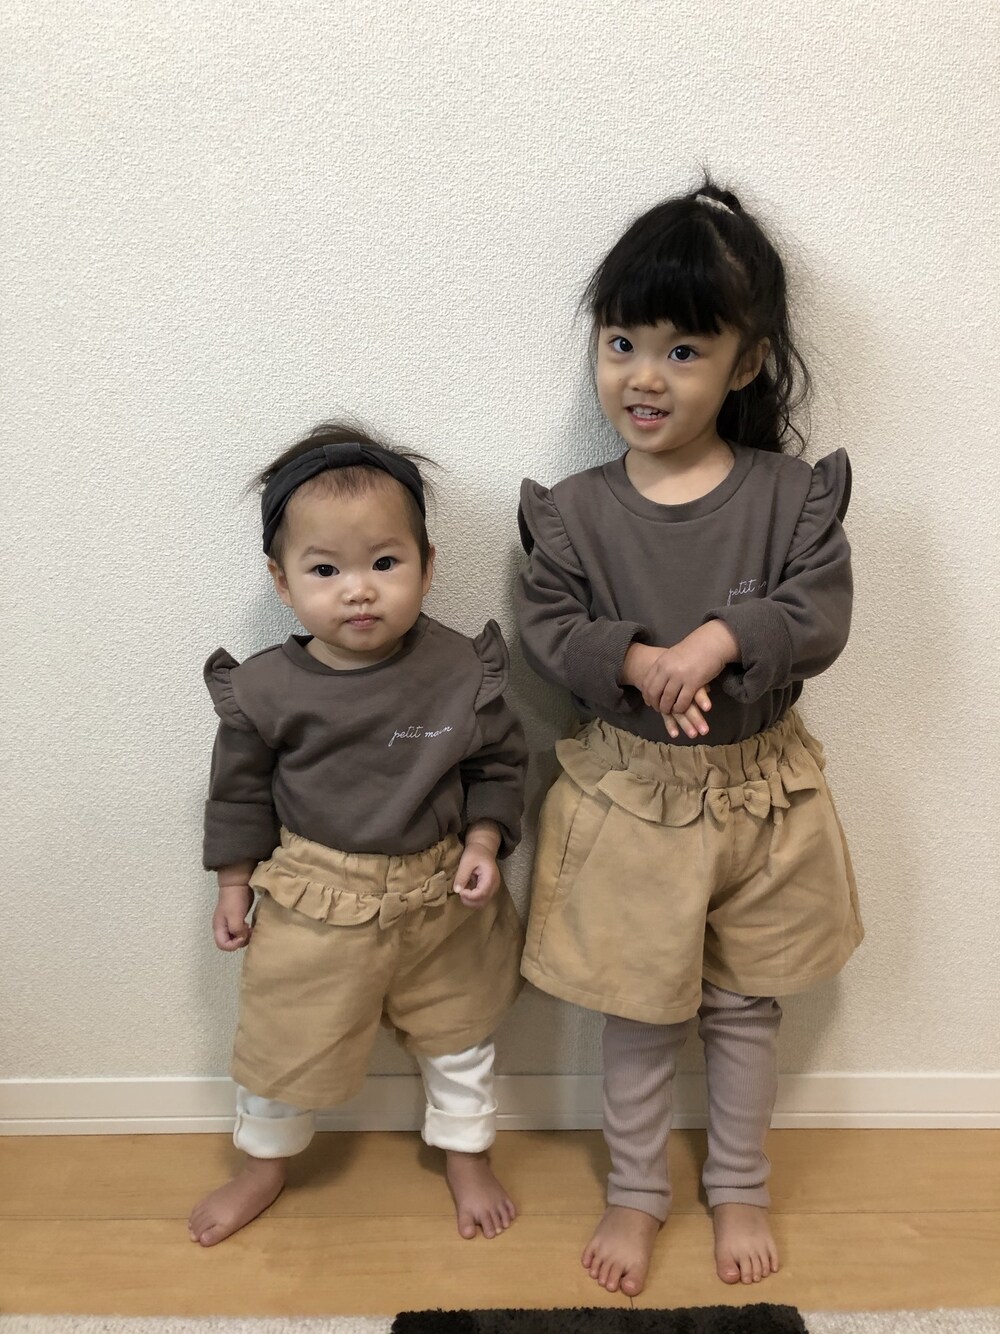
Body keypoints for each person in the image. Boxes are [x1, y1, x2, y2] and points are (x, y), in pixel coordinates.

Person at [516, 182, 863, 1296]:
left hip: (762, 799)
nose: (644, 376)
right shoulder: (574, 511)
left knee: (745, 1005)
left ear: (745, 362)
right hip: (630, 797)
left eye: (682, 350)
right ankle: (634, 1189)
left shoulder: (791, 497)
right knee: (636, 1005)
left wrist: (719, 639)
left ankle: (740, 1180)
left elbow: (819, 611)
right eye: (621, 343)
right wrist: (634, 661)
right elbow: (546, 621)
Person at [189, 422, 527, 1247]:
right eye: (326, 570)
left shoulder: (460, 671)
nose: (359, 591)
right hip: (314, 898)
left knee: (459, 1033)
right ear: (281, 580)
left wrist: (485, 841)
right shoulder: (267, 689)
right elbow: (238, 794)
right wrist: (233, 883)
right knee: (285, 1041)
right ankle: (263, 1165)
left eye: (384, 562)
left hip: (440, 897)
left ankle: (467, 1153)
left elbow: (499, 765)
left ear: (428, 566)